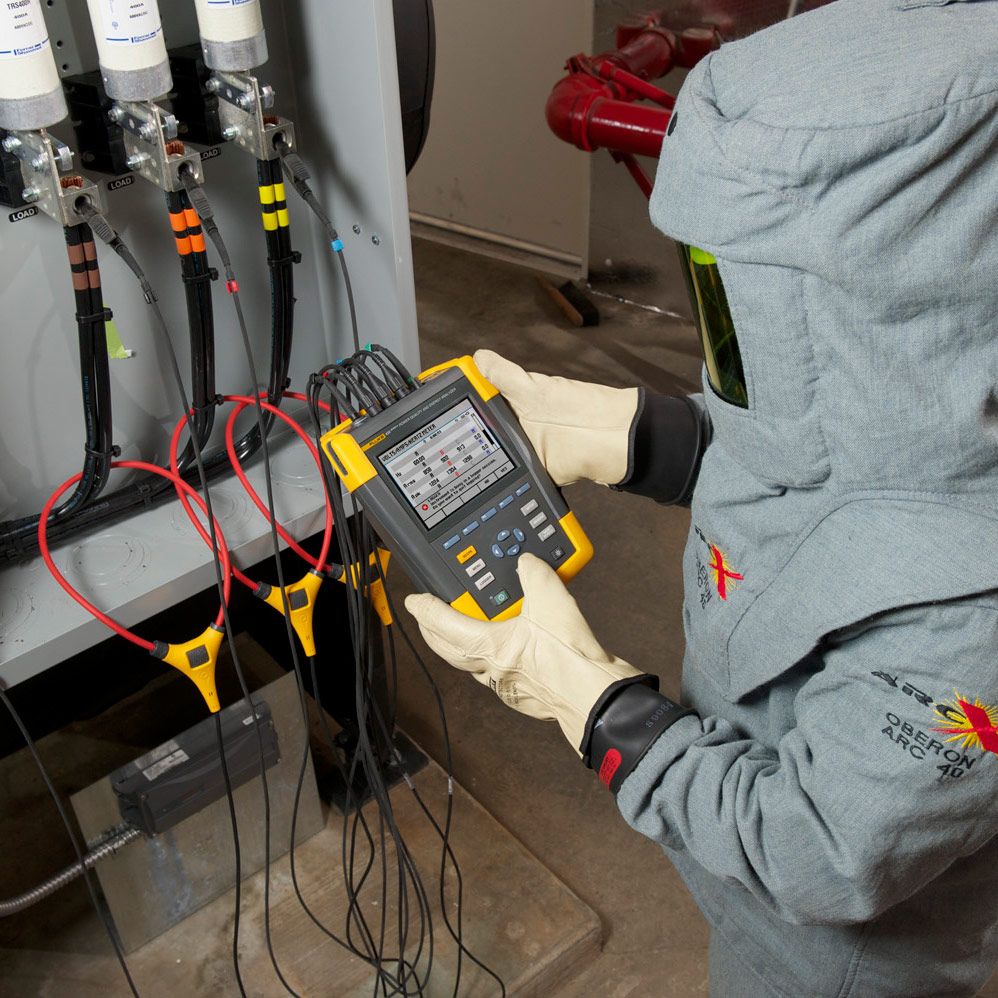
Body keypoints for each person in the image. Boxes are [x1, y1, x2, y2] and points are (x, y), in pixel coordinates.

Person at [405, 0, 998, 994]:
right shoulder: (926, 392)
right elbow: (825, 452)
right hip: (734, 867)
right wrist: (629, 433)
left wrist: (591, 703)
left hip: (834, 963)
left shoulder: (973, 625)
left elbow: (812, 853)